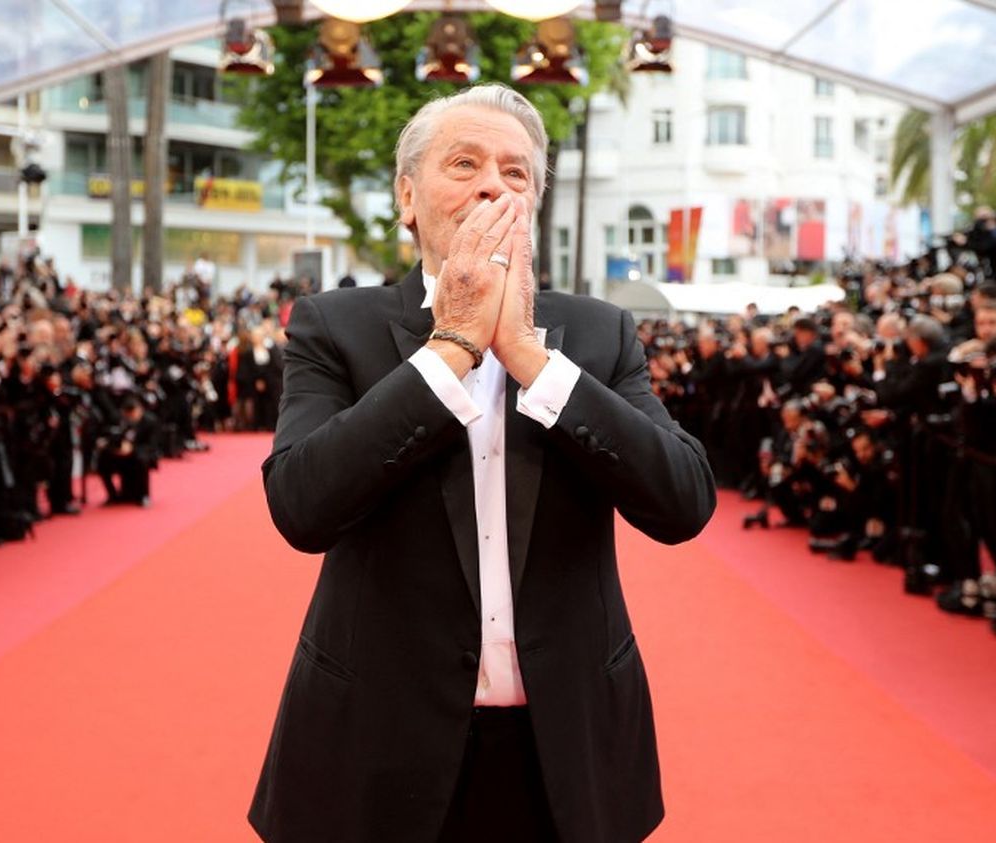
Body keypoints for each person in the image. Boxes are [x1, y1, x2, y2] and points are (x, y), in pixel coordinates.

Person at [249, 84, 716, 843]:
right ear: (408, 197)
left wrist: (532, 359)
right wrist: (452, 348)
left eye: (516, 172)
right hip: (377, 740)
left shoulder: (600, 334)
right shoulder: (336, 326)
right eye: (464, 163)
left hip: (563, 748)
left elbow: (683, 498)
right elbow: (301, 505)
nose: (493, 184)